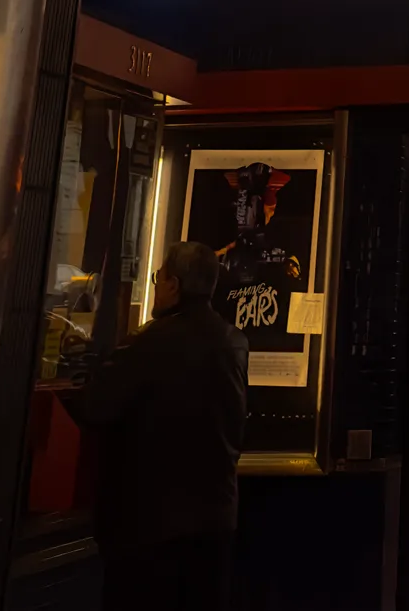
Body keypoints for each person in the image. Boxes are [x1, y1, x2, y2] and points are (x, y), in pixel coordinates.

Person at [70, 240, 248, 611]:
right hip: (214, 522)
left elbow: (95, 408)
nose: (156, 286)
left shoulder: (148, 344)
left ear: (173, 286)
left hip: (150, 527)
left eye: (158, 278)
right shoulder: (233, 342)